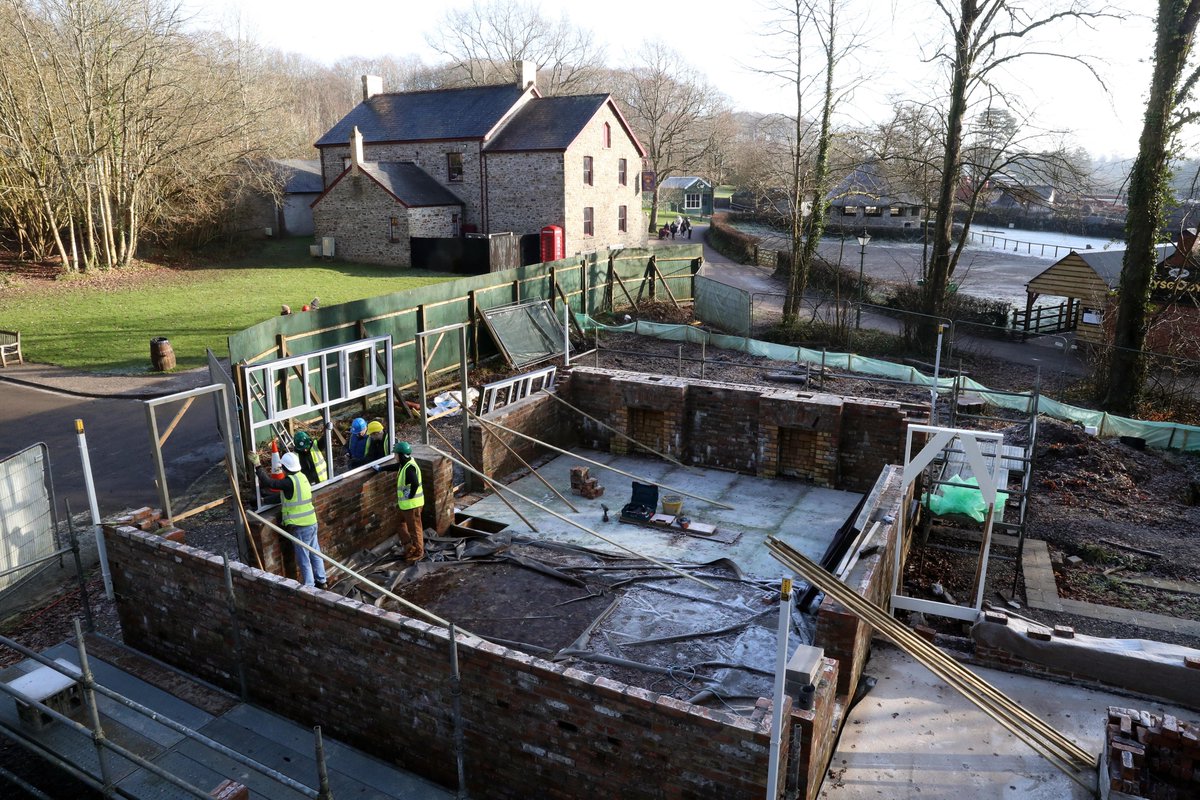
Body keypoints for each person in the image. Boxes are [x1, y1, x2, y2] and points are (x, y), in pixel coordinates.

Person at [257, 452, 327, 588]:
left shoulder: (289, 482)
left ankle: (309, 587)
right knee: (315, 553)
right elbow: (285, 496)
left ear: (285, 467)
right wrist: (264, 501)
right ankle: (322, 580)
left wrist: (258, 466)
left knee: (303, 558)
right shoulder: (302, 478)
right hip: (311, 522)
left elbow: (269, 482)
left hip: (300, 526)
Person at [377, 442, 425, 561]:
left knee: (415, 529)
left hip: (412, 505)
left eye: (396, 454)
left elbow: (414, 482)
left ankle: (419, 552)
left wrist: (411, 495)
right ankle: (409, 547)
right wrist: (381, 468)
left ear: (401, 455)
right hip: (406, 505)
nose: (394, 456)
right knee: (399, 523)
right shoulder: (404, 464)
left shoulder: (409, 469)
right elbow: (395, 467)